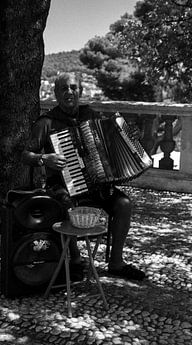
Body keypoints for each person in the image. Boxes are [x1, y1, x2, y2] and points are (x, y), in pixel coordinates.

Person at [22, 73, 146, 281]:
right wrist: (45, 158)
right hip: (61, 184)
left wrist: (130, 137)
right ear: (55, 93)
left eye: (73, 87)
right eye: (63, 88)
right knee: (65, 202)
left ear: (80, 91)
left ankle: (116, 262)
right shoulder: (47, 122)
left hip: (96, 185)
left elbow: (108, 145)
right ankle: (75, 260)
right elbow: (26, 155)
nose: (69, 92)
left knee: (124, 204)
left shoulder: (91, 115)